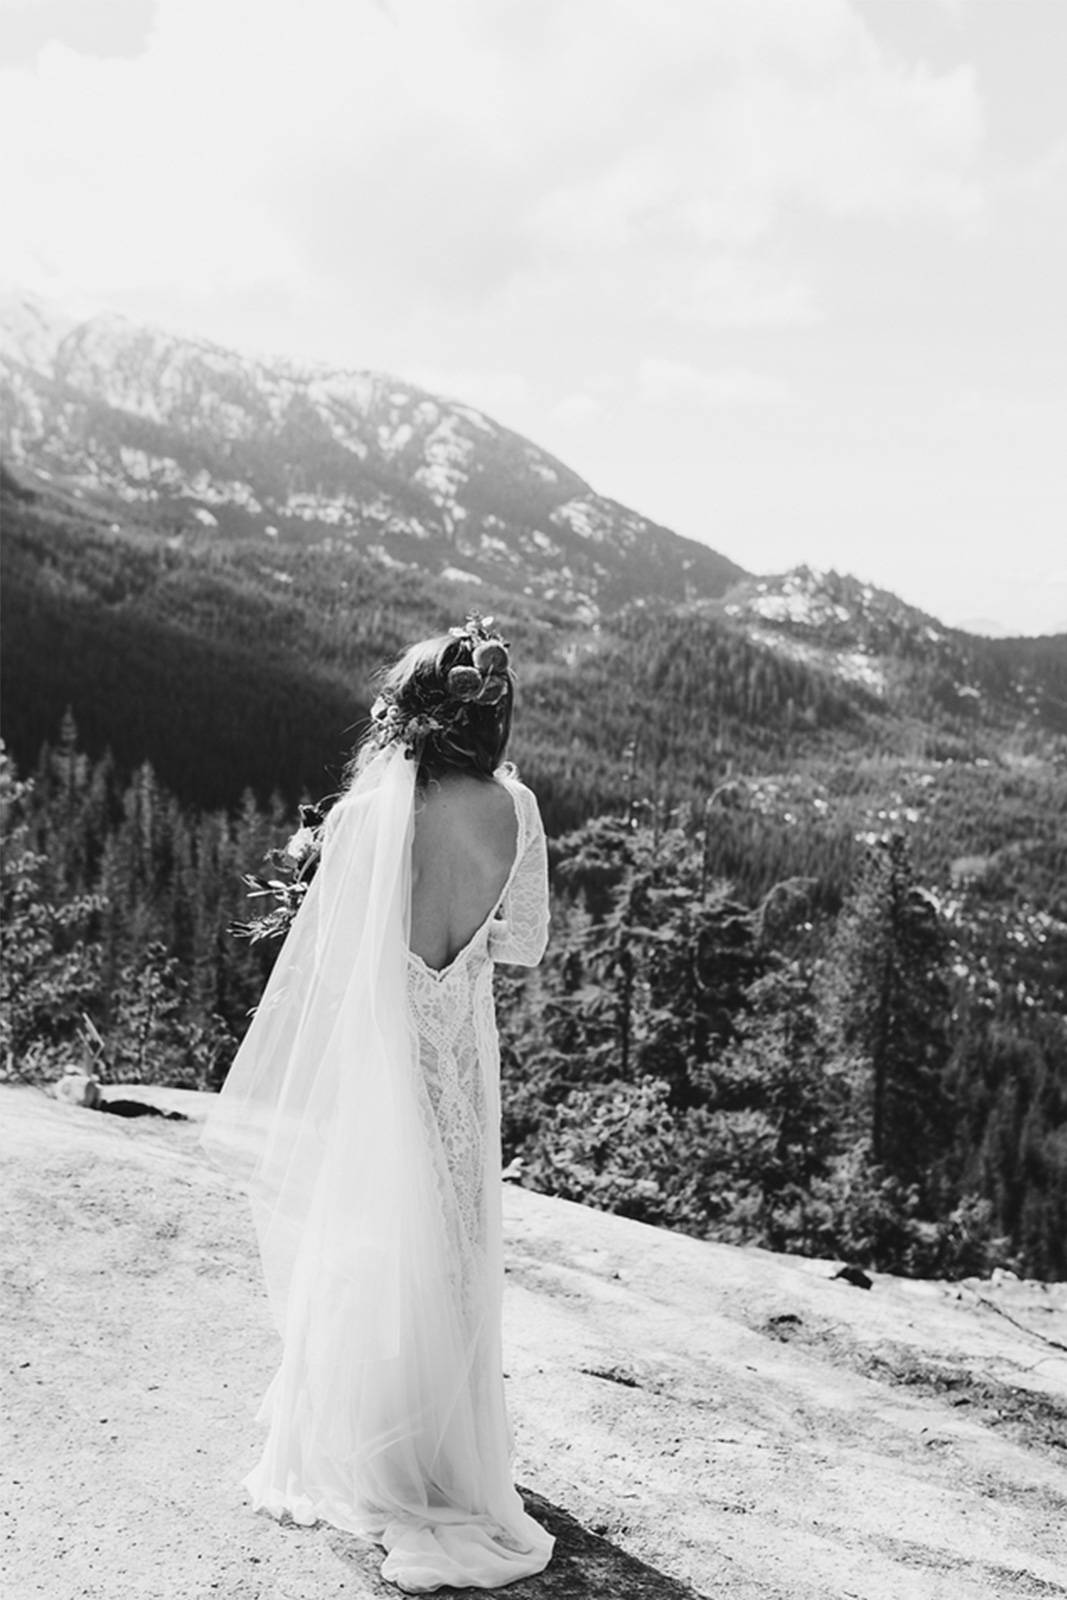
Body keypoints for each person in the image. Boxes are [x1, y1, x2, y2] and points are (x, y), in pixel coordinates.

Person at [198, 615, 555, 1592]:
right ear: (489, 719)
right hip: (457, 1059)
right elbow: (520, 944)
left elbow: (331, 962)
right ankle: (453, 1454)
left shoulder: (365, 817)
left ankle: (371, 1434)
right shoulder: (513, 811)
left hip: (381, 1062)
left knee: (368, 1237)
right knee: (455, 1238)